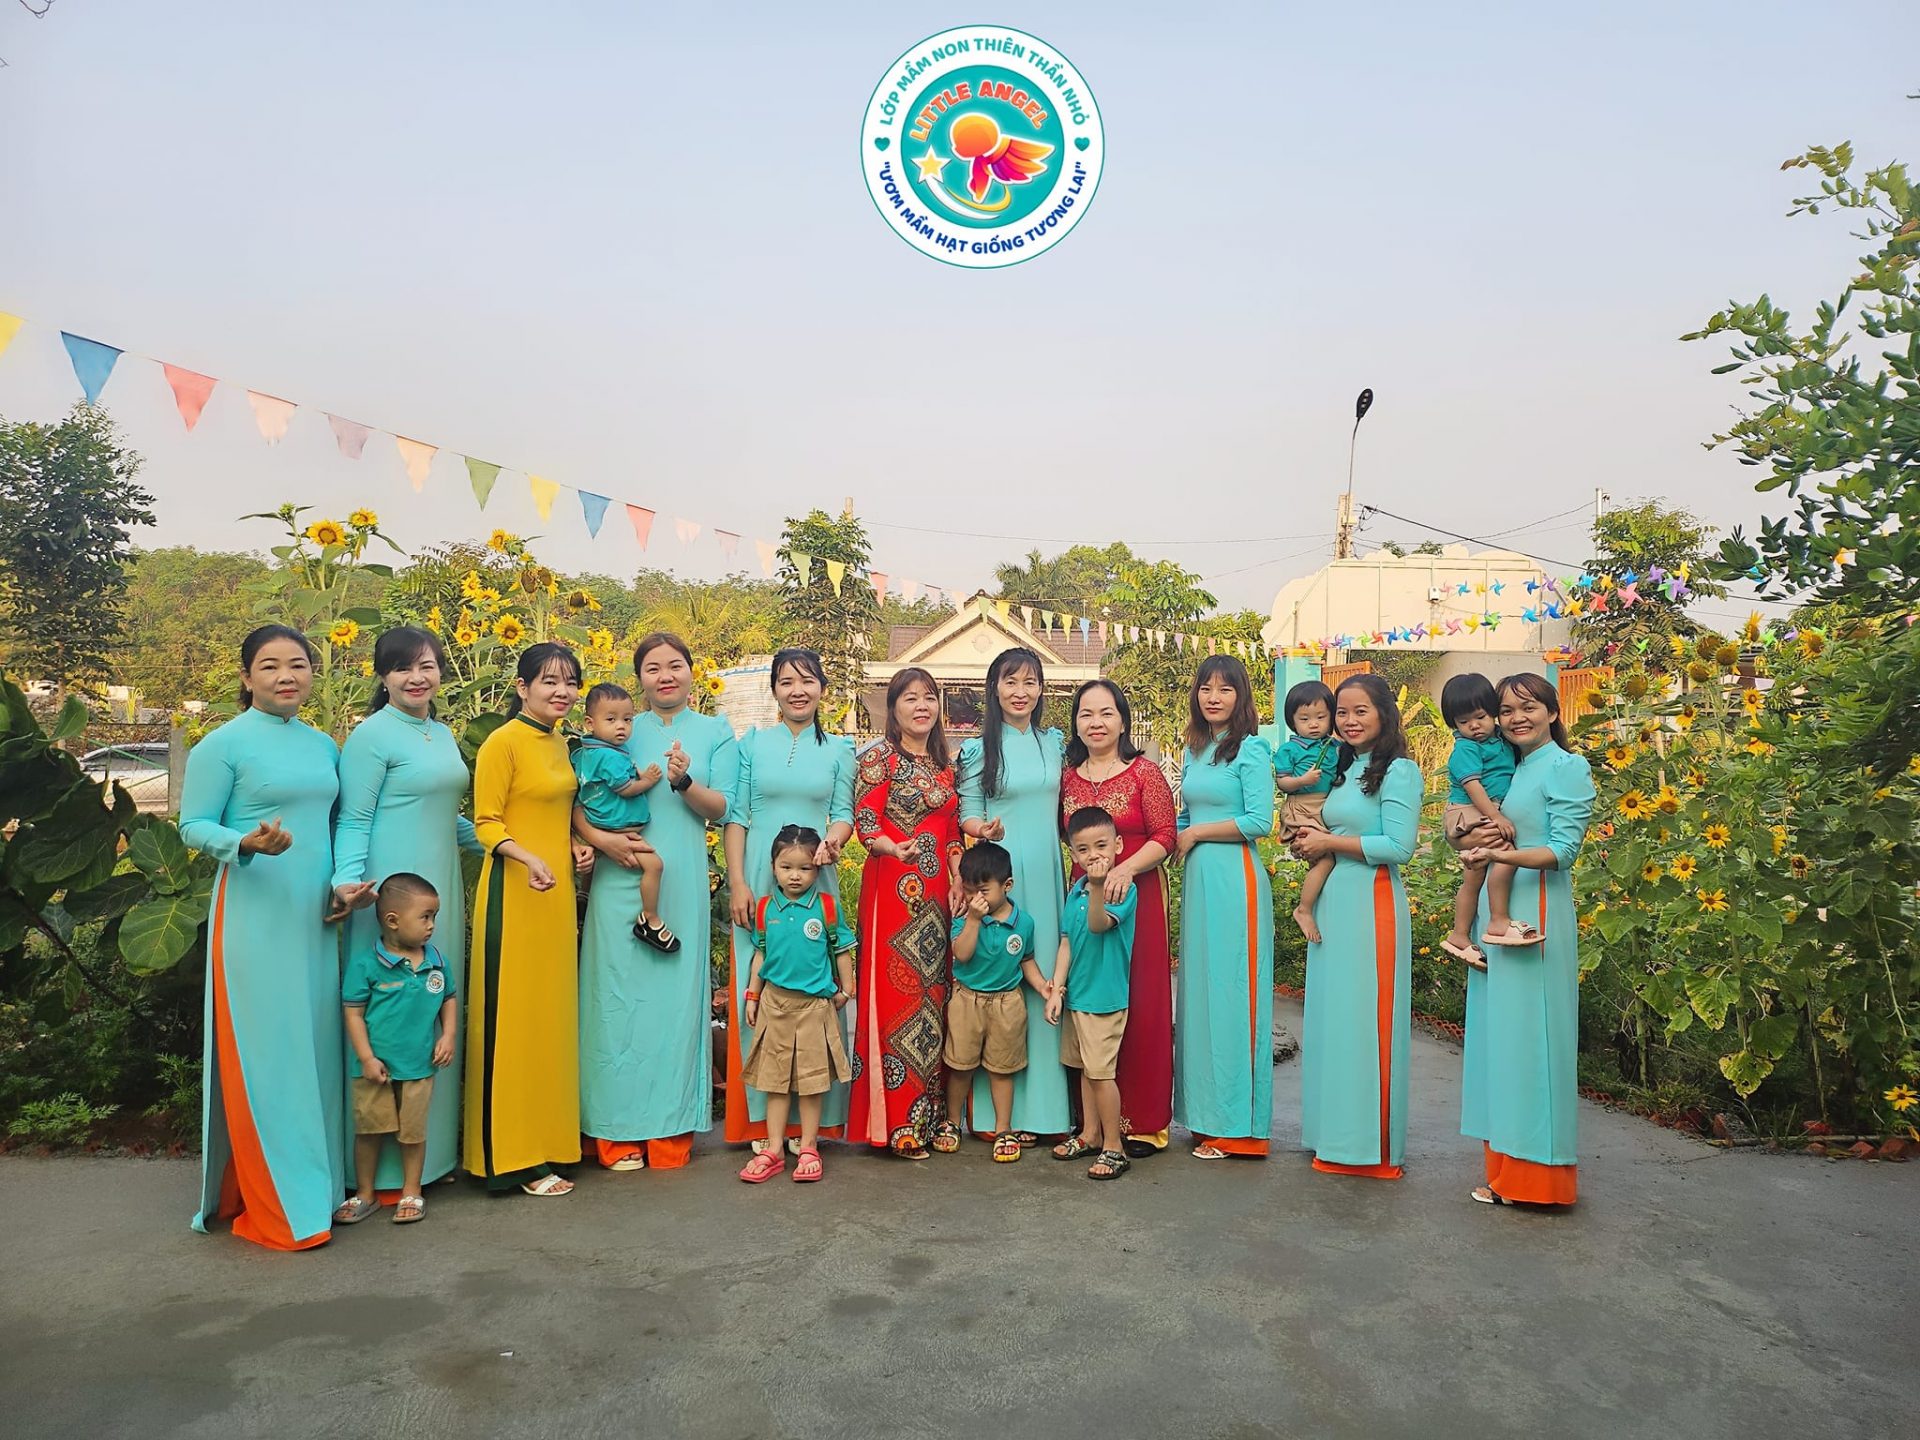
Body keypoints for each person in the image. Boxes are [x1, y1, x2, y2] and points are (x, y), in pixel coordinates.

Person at [182, 624, 347, 1250]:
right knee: (271, 1052)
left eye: (298, 664)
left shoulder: (324, 745)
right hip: (255, 914)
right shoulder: (221, 745)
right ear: (246, 676)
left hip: (316, 917)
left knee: (316, 1050)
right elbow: (192, 825)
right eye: (271, 665)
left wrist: (343, 886)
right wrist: (244, 843)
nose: (286, 676)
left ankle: (322, 1191)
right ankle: (280, 1206)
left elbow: (334, 825)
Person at [575, 633, 739, 1172]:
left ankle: (670, 1129)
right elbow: (580, 796)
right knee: (613, 1002)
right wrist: (599, 841)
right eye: (652, 668)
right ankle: (612, 1132)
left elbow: (722, 808)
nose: (665, 676)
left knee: (675, 1005)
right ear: (639, 677)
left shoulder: (715, 730)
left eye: (674, 666)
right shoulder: (620, 725)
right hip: (618, 874)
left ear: (691, 671)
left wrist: (683, 781)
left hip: (681, 878)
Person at [331, 625, 483, 1196]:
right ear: (383, 676)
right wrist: (346, 884)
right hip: (387, 890)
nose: (417, 678)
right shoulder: (371, 735)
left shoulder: (440, 733)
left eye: (427, 666)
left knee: (434, 1004)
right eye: (402, 667)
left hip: (439, 886)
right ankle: (377, 1178)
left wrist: (506, 845)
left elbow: (446, 814)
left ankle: (431, 1161)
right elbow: (354, 818)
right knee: (386, 1015)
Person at [1459, 673, 1596, 1208]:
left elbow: (1563, 851)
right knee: (1502, 1041)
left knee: (1534, 1041)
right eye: (1507, 710)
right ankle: (1505, 1175)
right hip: (1500, 913)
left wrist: (1500, 856)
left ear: (1553, 712)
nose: (1516, 718)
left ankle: (1539, 1180)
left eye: (1529, 707)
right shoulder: (1513, 768)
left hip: (1536, 912)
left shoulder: (1567, 766)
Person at [464, 642, 591, 1198]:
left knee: (549, 1019)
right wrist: (527, 857)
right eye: (549, 681)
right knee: (511, 1023)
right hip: (513, 893)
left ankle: (551, 1144)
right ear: (522, 687)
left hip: (555, 897)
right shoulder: (503, 742)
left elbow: (553, 812)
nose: (562, 692)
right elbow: (486, 823)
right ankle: (509, 1158)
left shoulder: (561, 742)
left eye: (570, 682)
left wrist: (572, 845)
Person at [1292, 673, 1423, 1179]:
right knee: (1336, 1023)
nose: (1348, 721)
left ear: (1385, 713)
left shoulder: (1400, 771)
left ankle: (1372, 1150)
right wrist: (1312, 838)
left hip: (1373, 903)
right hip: (1334, 902)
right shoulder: (1346, 768)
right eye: (1342, 712)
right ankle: (1336, 1137)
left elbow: (1399, 847)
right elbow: (1339, 830)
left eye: (1360, 710)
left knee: (1368, 1024)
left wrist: (1329, 843)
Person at [724, 648, 856, 1149]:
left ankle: (814, 1126)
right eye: (786, 682)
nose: (797, 690)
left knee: (817, 991)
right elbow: (736, 816)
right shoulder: (753, 744)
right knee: (757, 989)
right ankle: (762, 1124)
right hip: (760, 879)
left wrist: (834, 841)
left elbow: (842, 813)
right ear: (774, 690)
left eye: (807, 680)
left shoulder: (840, 748)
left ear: (822, 687)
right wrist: (739, 882)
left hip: (815, 876)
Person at [1058, 678, 1177, 1157]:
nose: (1096, 723)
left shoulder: (1145, 773)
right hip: (1085, 900)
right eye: (1086, 714)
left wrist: (1124, 869)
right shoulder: (1068, 778)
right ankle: (1090, 1125)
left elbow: (1165, 835)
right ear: (1076, 724)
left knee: (1141, 1003)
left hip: (1137, 897)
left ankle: (1143, 1123)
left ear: (1123, 721)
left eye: (1106, 713)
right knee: (1087, 1001)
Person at [851, 667, 964, 1159]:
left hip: (939, 897)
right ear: (892, 708)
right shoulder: (879, 759)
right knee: (895, 1000)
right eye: (910, 698)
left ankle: (929, 1116)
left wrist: (958, 875)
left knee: (934, 1000)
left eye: (929, 697)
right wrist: (891, 848)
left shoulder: (945, 765)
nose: (921, 706)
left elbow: (953, 831)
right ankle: (894, 1123)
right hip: (893, 892)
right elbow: (865, 822)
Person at [957, 647, 1068, 1144]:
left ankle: (1047, 1112)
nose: (1020, 692)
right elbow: (967, 812)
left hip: (1045, 875)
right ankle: (993, 1117)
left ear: (1042, 689)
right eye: (1010, 681)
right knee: (997, 980)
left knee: (1042, 976)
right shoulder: (978, 749)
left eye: (1030, 682)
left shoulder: (1055, 743)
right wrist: (983, 828)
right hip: (996, 875)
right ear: (994, 688)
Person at [1170, 656, 1277, 1160]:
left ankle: (1241, 1129)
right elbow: (1185, 814)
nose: (1214, 697)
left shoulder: (1251, 749)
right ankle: (1206, 1117)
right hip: (1199, 881)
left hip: (1235, 879)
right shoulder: (1194, 750)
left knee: (1234, 995)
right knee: (1200, 997)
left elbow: (1259, 821)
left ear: (1241, 697)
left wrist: (1196, 834)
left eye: (1225, 689)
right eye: (1206, 688)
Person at [334, 873, 457, 1227]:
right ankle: (365, 1193)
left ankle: (412, 1191)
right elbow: (353, 1014)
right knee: (369, 1132)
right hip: (373, 1070)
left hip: (419, 1066)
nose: (432, 925)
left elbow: (448, 998)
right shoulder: (365, 964)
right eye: (425, 917)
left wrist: (448, 1035)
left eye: (434, 917)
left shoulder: (436, 961)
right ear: (392, 920)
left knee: (413, 1133)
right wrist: (366, 1058)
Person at [737, 826, 857, 1184]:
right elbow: (760, 956)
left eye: (804, 868)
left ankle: (808, 1146)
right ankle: (774, 1148)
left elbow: (842, 950)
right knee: (774, 1083)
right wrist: (753, 995)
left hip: (815, 1009)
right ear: (773, 867)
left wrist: (847, 989)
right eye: (786, 867)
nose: (794, 876)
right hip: (775, 1006)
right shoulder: (764, 909)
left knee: (811, 1083)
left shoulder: (826, 908)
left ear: (817, 870)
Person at [1047, 807, 1140, 1181]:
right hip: (1078, 997)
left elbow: (1099, 925)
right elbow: (1067, 942)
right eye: (1083, 849)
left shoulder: (1122, 889)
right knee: (1084, 1069)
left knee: (1101, 1074)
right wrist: (1057, 989)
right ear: (1072, 853)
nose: (1093, 855)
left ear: (1118, 845)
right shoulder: (1076, 890)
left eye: (1101, 845)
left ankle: (1114, 1147)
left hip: (1104, 1000)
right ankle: (1089, 1134)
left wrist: (1099, 886)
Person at [935, 841, 1037, 1162]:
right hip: (967, 1000)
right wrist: (974, 920)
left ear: (1007, 885)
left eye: (982, 891)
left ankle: (1003, 1128)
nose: (974, 898)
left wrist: (1045, 988)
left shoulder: (1024, 923)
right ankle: (953, 1122)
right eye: (968, 891)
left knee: (1001, 1070)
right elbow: (962, 955)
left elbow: (1027, 961)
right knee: (960, 1066)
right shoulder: (964, 917)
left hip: (1007, 1003)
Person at [571, 682, 675, 952]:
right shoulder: (610, 756)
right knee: (655, 866)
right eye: (611, 719)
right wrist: (647, 781)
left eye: (627, 720)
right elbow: (625, 789)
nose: (621, 726)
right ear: (589, 723)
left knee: (593, 865)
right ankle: (650, 919)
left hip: (597, 823)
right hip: (618, 830)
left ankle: (583, 896)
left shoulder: (586, 752)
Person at [1438, 673, 1522, 969]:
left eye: (1480, 717)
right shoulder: (1466, 748)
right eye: (1464, 722)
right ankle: (1498, 919)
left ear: (1493, 712)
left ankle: (1459, 934)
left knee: (1473, 877)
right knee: (1506, 853)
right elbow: (1473, 787)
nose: (1474, 726)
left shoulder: (1500, 739)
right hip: (1468, 811)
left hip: (1482, 810)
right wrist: (1495, 816)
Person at [1273, 679, 1339, 943]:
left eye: (1321, 717)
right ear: (1292, 721)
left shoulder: (1334, 747)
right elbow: (1282, 783)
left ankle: (1321, 908)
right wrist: (1302, 780)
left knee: (1332, 859)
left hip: (1324, 807)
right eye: (1305, 719)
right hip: (1302, 807)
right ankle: (1304, 909)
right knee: (1325, 860)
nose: (1314, 724)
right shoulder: (1289, 750)